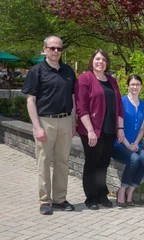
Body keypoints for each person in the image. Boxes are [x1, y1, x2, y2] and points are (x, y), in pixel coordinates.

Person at [21, 36, 76, 215]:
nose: (56, 52)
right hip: (45, 121)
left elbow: (73, 98)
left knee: (62, 161)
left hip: (66, 120)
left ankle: (59, 199)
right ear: (45, 49)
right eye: (52, 48)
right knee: (44, 162)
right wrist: (37, 127)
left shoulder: (68, 71)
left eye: (59, 49)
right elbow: (31, 101)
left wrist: (73, 121)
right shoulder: (36, 71)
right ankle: (44, 201)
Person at [75, 49, 125, 210]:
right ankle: (91, 198)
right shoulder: (84, 79)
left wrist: (120, 128)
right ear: (92, 61)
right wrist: (90, 130)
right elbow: (81, 107)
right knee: (92, 163)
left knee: (103, 163)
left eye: (103, 59)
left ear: (107, 63)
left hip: (109, 129)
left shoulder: (112, 81)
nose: (100, 62)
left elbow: (119, 106)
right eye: (97, 59)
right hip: (92, 130)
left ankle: (102, 194)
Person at [112, 75, 144, 207]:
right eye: (132, 84)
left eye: (138, 84)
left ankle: (131, 190)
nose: (135, 87)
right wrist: (128, 144)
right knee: (135, 159)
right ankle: (122, 190)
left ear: (141, 87)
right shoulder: (121, 102)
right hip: (119, 144)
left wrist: (135, 143)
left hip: (136, 143)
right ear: (128, 86)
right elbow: (117, 126)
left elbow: (142, 129)